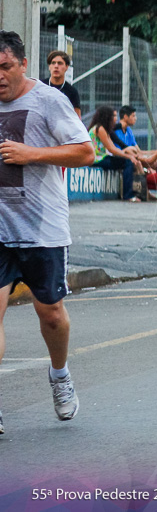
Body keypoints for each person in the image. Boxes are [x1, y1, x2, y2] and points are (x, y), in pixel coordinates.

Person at [0, 30, 95, 432]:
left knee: (51, 315)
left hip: (42, 229)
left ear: (22, 64)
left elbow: (86, 151)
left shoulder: (48, 100)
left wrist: (31, 154)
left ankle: (59, 375)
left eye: (4, 67)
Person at [87, 105, 141, 202]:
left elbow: (113, 147)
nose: (116, 119)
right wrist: (129, 157)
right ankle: (127, 195)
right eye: (114, 116)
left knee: (127, 161)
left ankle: (131, 193)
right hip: (97, 159)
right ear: (107, 117)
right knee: (128, 162)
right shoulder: (100, 129)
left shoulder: (104, 129)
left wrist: (129, 155)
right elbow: (112, 149)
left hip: (102, 158)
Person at [43, 50, 81, 118]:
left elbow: (77, 118)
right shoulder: (41, 86)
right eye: (53, 63)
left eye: (60, 63)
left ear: (66, 67)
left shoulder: (72, 92)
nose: (56, 66)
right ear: (49, 66)